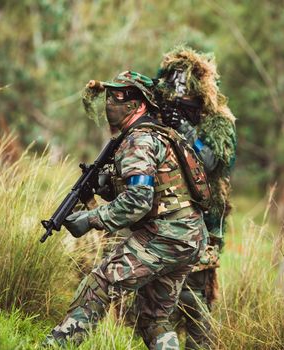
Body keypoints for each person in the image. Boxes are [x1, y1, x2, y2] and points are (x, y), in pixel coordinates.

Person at [43, 71, 209, 349]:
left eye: (120, 96)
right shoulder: (160, 135)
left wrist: (90, 219)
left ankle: (56, 345)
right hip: (189, 237)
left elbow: (138, 201)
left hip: (165, 237)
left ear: (139, 104)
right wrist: (105, 188)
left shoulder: (139, 140)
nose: (111, 102)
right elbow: (154, 190)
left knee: (98, 285)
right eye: (110, 96)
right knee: (154, 318)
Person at [155, 46, 236, 349]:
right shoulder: (164, 118)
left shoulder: (218, 121)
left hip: (203, 225)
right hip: (164, 223)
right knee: (156, 304)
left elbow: (211, 160)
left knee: (195, 304)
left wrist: (184, 128)